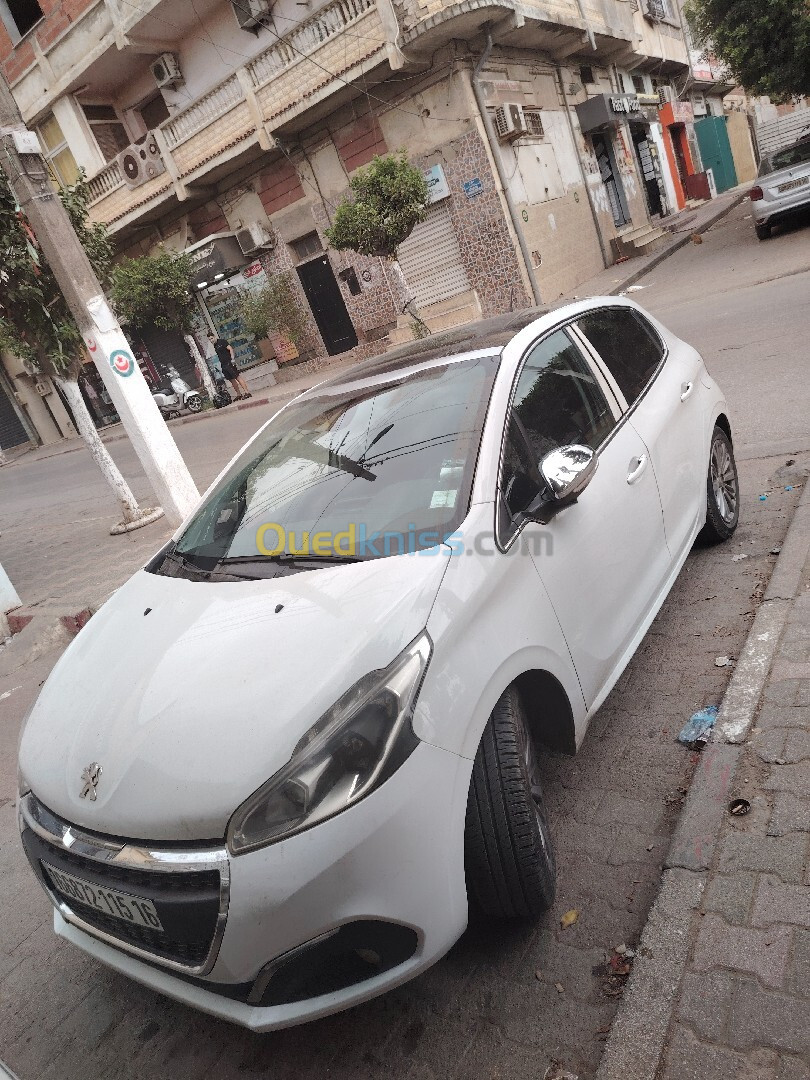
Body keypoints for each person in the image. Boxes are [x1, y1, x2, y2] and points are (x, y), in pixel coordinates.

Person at [208, 332, 251, 400]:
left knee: (237, 377)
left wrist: (232, 359)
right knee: (231, 380)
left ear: (214, 336)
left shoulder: (222, 341)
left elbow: (230, 349)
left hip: (229, 363)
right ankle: (239, 394)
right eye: (210, 339)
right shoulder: (215, 345)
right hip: (224, 365)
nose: (211, 340)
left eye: (212, 338)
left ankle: (247, 392)